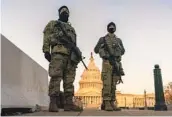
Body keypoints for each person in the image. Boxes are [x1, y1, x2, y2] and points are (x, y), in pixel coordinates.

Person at [42, 5, 82, 112]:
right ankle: (53, 103)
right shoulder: (53, 24)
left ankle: (68, 103)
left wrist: (76, 55)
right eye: (63, 11)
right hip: (58, 53)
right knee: (56, 77)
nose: (65, 13)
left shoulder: (72, 29)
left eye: (67, 12)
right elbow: (46, 36)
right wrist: (46, 50)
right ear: (59, 13)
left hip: (70, 57)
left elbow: (74, 43)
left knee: (69, 80)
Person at [94, 22, 125, 111]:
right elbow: (96, 50)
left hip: (116, 63)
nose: (112, 28)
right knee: (107, 83)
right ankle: (106, 102)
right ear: (107, 28)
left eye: (113, 27)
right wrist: (103, 49)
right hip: (107, 62)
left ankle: (112, 102)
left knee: (114, 84)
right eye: (110, 27)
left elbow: (123, 51)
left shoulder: (119, 40)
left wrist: (117, 49)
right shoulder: (102, 39)